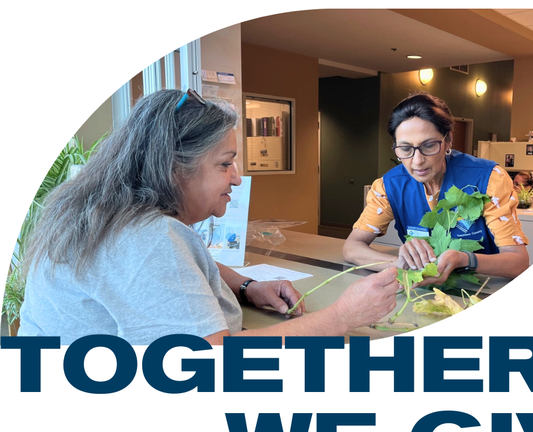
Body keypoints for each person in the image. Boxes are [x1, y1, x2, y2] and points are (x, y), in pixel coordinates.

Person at [18, 89, 398, 345]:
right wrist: (342, 316)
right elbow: (208, 364)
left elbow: (165, 270)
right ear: (173, 168)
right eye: (225, 164)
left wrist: (246, 286)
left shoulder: (105, 213)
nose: (235, 178)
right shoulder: (148, 238)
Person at [343, 93, 529, 283]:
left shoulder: (488, 178)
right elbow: (352, 247)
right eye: (405, 149)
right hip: (422, 291)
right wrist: (398, 263)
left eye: (429, 145)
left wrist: (464, 259)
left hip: (483, 290)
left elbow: (518, 261)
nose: (417, 161)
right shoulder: (389, 186)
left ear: (448, 140)